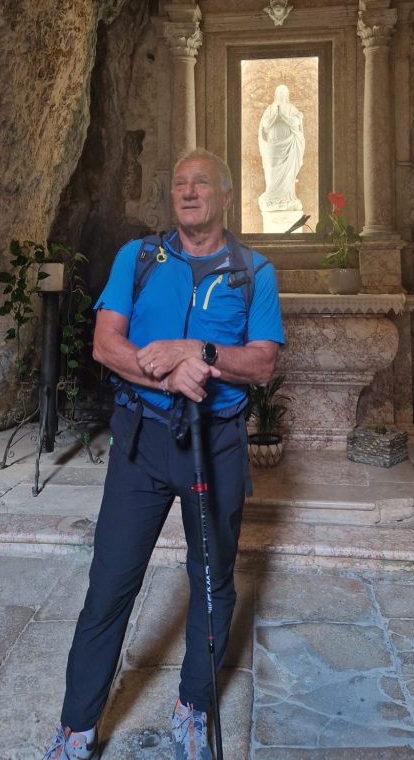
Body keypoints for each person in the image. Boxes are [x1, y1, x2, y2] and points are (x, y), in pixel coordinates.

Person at [43, 148, 285, 760]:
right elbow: (105, 343)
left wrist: (196, 350)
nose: (188, 191)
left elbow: (261, 361)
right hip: (143, 444)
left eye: (201, 182)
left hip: (218, 444)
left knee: (211, 582)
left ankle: (192, 709)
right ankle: (75, 730)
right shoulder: (139, 258)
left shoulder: (255, 271)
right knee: (110, 584)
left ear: (226, 195)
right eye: (179, 183)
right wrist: (166, 376)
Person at [258, 83, 305, 213]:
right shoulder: (270, 109)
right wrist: (275, 115)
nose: (282, 95)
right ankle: (272, 197)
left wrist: (283, 116)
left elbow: (296, 123)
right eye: (279, 93)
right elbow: (265, 125)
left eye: (284, 93)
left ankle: (286, 199)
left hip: (289, 146)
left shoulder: (292, 108)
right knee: (272, 171)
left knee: (288, 174)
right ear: (276, 95)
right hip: (273, 147)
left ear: (287, 95)